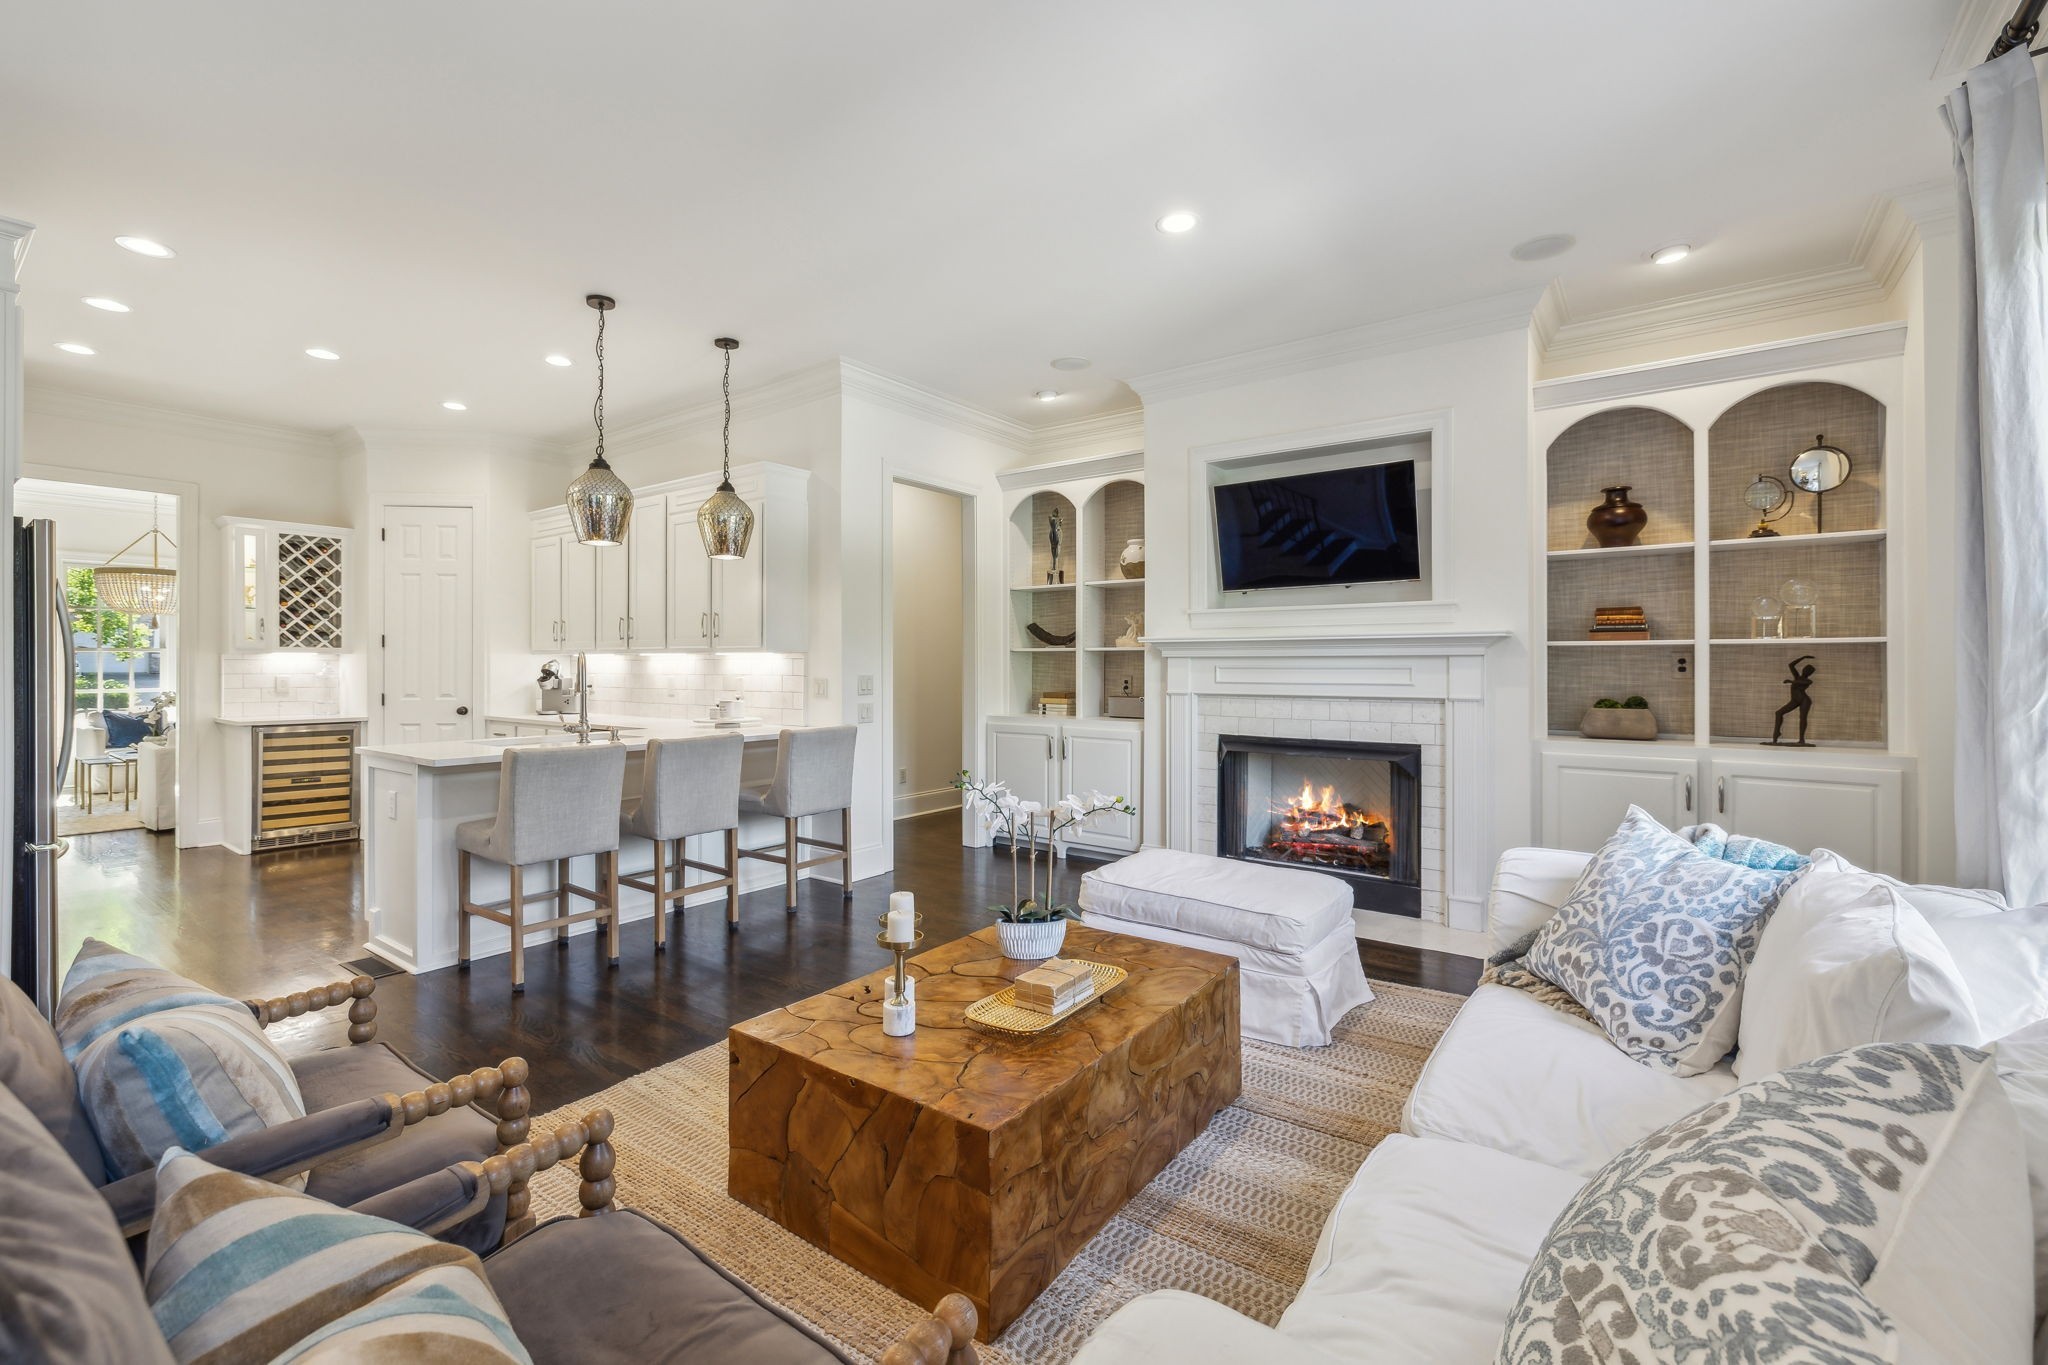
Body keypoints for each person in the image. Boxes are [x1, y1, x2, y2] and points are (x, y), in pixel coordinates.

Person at [1769, 655, 1817, 747]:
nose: (1805, 670)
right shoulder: (1797, 676)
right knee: (1778, 713)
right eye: (1805, 668)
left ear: (1810, 673)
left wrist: (1791, 681)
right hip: (1794, 700)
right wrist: (1803, 657)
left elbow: (1800, 683)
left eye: (1808, 670)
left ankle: (1802, 740)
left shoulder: (1808, 681)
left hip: (1804, 700)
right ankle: (1776, 735)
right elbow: (1791, 665)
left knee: (1802, 718)